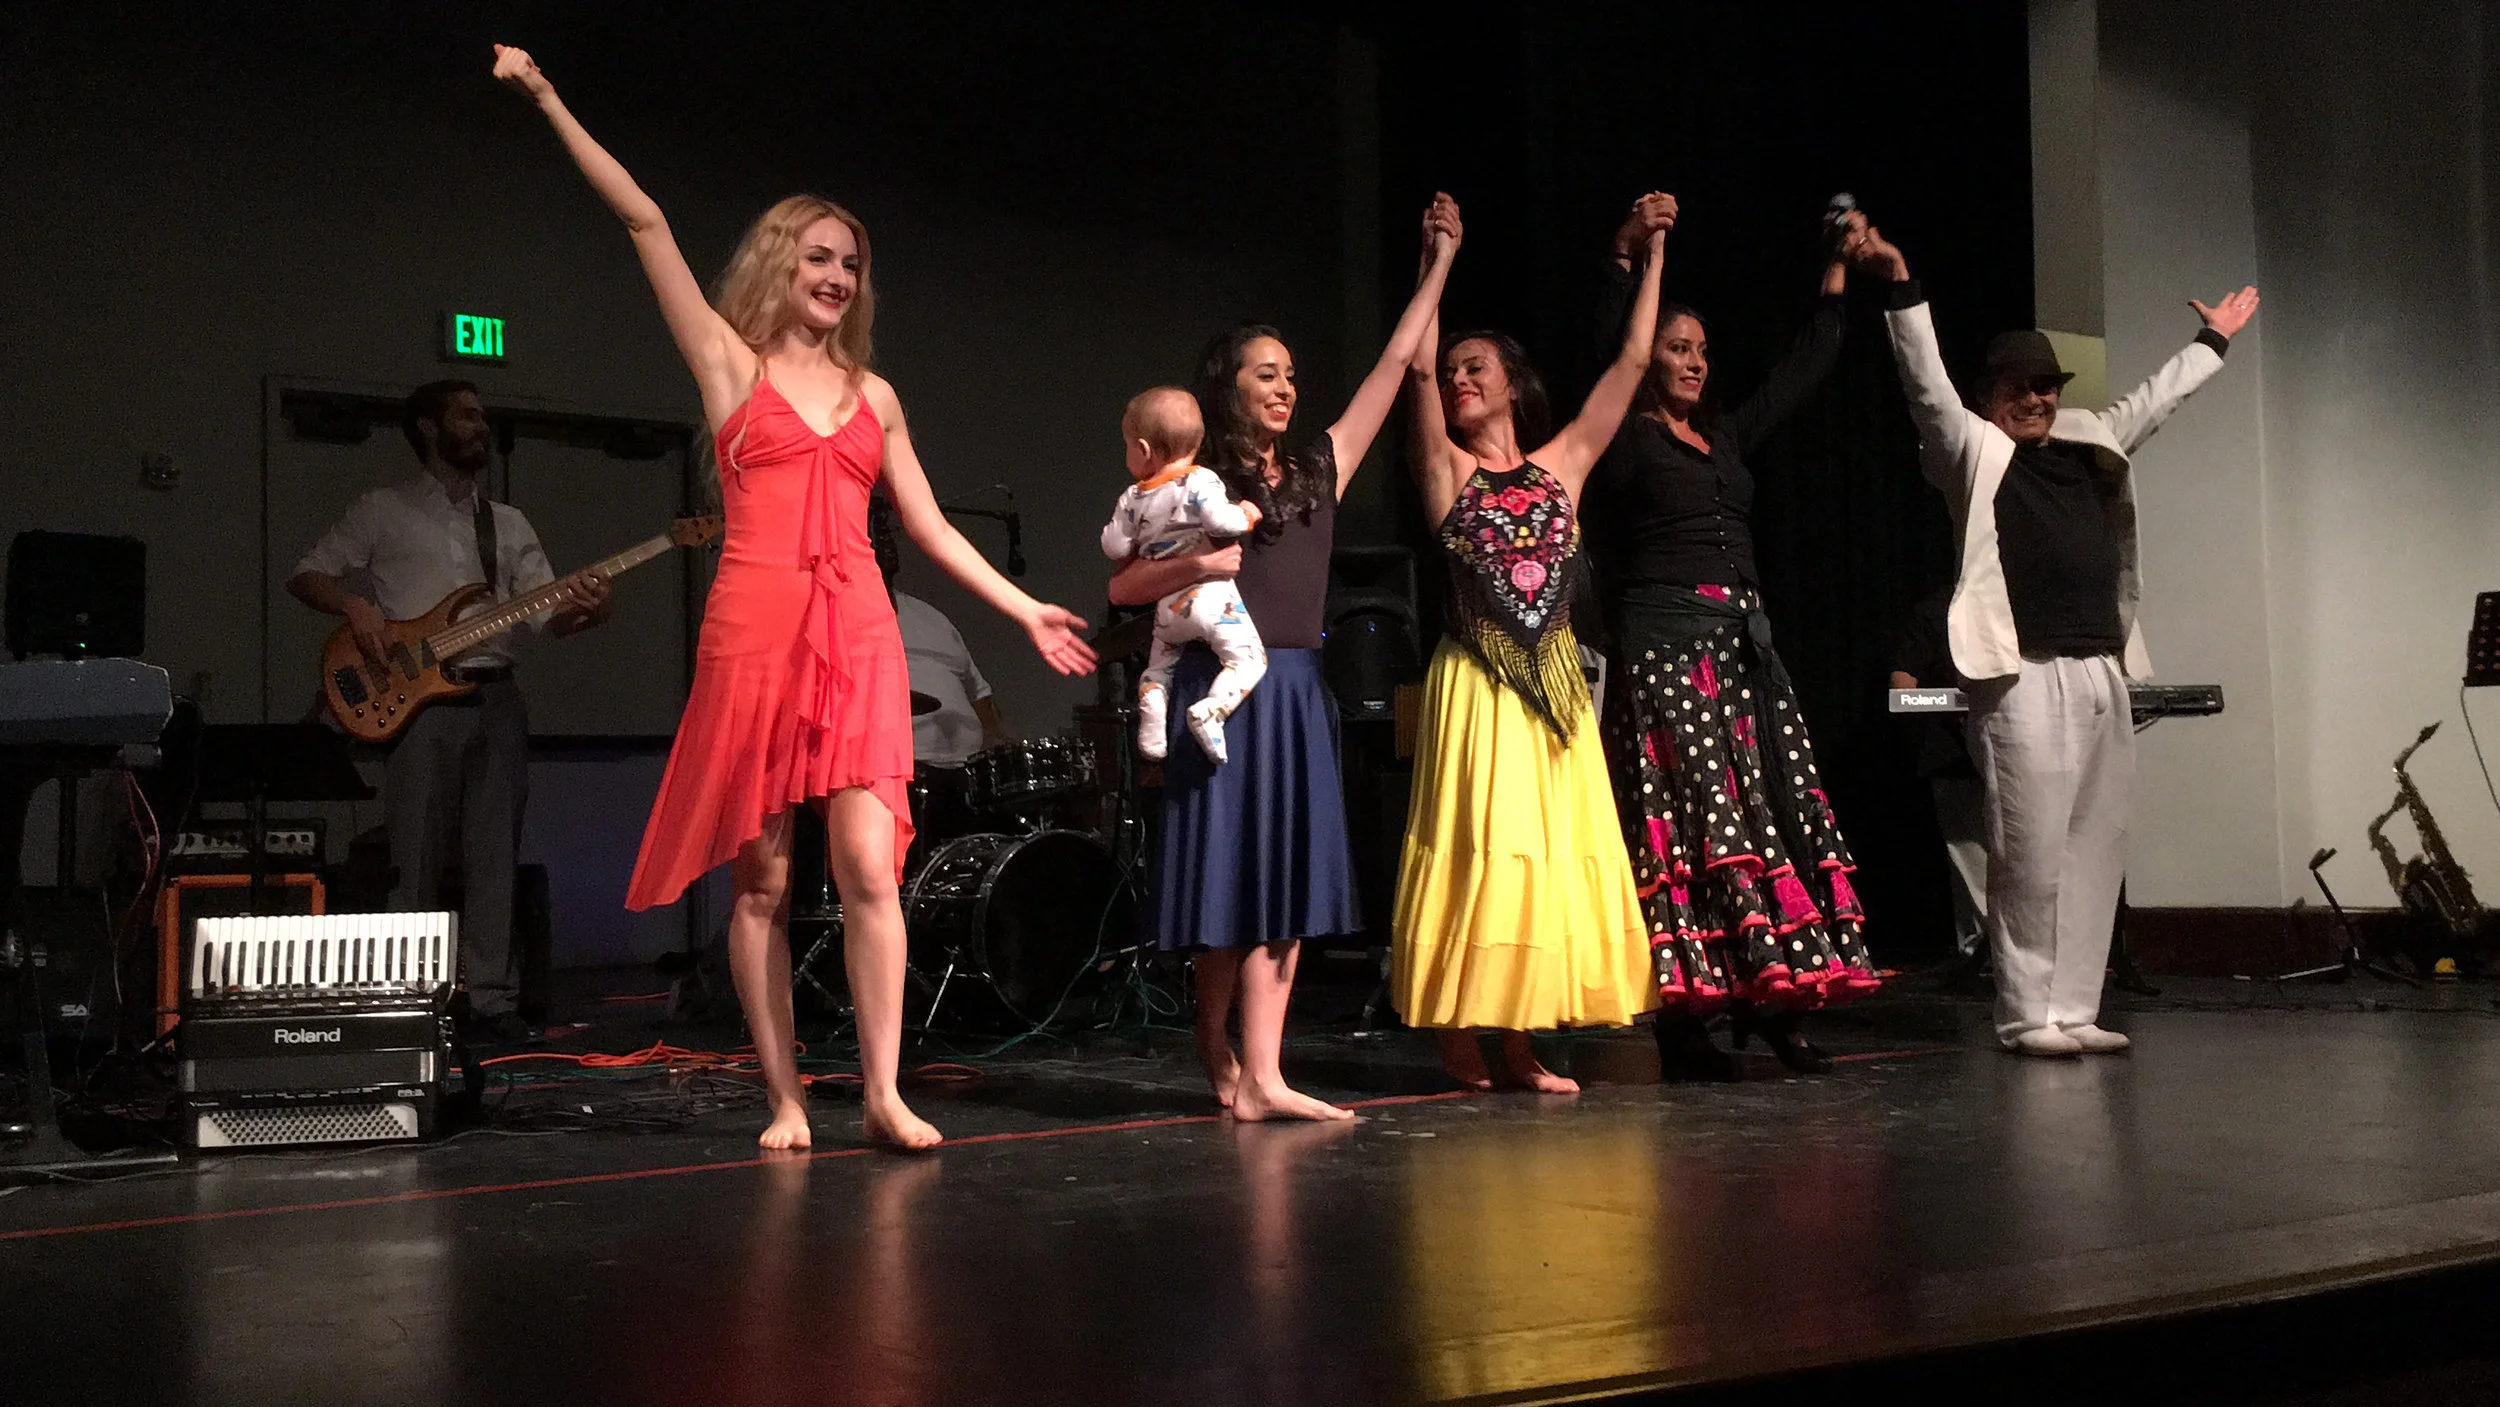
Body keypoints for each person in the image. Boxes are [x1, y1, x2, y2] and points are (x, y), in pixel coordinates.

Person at [493, 44, 1095, 1148]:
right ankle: (784, 1097)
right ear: (781, 262)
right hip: (758, 630)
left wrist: (1022, 610)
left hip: (856, 631)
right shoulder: (731, 367)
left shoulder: (876, 395)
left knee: (870, 868)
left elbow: (929, 527)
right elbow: (644, 223)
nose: (838, 277)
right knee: (764, 881)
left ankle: (884, 1092)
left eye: (852, 264)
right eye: (820, 256)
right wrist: (545, 96)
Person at [1862, 224, 2257, 1056]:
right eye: (2020, 387)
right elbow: (1926, 385)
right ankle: (2024, 1013)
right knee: (2030, 848)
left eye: (2045, 386)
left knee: (2094, 845)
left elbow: (2153, 401)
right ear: (1990, 395)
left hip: (2100, 666)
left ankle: (2074, 1007)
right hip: (2022, 675)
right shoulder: (1970, 449)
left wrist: (2212, 341)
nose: (2037, 399)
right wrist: (1901, 287)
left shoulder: (2086, 438)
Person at [1107, 195, 1461, 1122]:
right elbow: (1124, 587)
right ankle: (1213, 1038)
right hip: (1223, 687)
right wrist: (1198, 563)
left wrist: (1437, 263)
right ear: (1228, 388)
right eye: (1267, 374)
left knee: (1286, 884)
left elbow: (1392, 366)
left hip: (1299, 690)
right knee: (1226, 885)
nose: (1285, 388)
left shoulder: (1315, 471)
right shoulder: (1194, 486)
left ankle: (1264, 1076)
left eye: (1292, 376)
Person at [1580, 195, 1883, 1082]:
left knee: (1767, 814)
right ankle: (1687, 1022)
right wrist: (1628, 256)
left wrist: (1836, 271)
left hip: (1744, 649)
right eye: (1678, 347)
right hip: (1667, 646)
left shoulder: (1724, 436)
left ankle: (1778, 1000)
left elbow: (1804, 368)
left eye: (1702, 351)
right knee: (1693, 826)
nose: (1695, 362)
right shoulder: (1623, 439)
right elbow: (1610, 346)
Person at [1390, 193, 1663, 1091]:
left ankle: (1520, 1041)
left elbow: (1631, 363)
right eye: (1454, 371)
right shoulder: (1448, 469)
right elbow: (1414, 369)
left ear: (1513, 383)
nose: (1459, 379)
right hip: (1477, 684)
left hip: (1552, 690)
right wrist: (1438, 259)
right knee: (1482, 845)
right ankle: (1460, 1031)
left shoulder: (1563, 466)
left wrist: (1655, 252)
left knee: (1541, 856)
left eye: (1477, 367)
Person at [288, 379, 615, 1043]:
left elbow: (549, 617)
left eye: (482, 415)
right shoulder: (383, 509)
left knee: (495, 851)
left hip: (496, 694)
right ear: (428, 428)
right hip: (417, 704)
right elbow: (308, 572)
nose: (481, 425)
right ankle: (410, 994)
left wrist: (591, 611)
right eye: (466, 415)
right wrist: (355, 606)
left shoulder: (508, 524)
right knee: (415, 852)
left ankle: (491, 998)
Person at [1100, 387, 1265, 763]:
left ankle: (1153, 724)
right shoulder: (1200, 480)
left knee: (1159, 669)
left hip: (1169, 609)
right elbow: (1222, 522)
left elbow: (1115, 547)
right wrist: (1247, 514)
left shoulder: (1132, 498)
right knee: (1249, 660)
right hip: (1212, 600)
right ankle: (1212, 711)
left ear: (1143, 449)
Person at [1888, 584, 1989, 977]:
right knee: (1971, 857)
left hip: (2012, 748)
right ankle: (1983, 952)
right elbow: (1903, 690)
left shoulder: (2019, 607)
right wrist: (1955, 704)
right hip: (1953, 754)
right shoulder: (1935, 611)